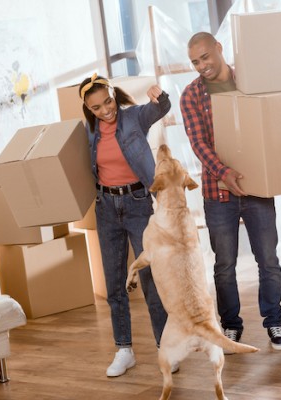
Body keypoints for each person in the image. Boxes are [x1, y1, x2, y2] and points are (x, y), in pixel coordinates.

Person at [180, 32, 281, 352]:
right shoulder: (191, 96)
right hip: (219, 194)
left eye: (205, 57)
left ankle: (274, 321)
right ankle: (230, 325)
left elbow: (271, 121)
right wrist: (224, 172)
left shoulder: (250, 81)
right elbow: (199, 144)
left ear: (219, 48)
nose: (201, 65)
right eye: (195, 62)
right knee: (224, 265)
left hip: (257, 188)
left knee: (269, 260)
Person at [79, 73, 175, 377]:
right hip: (105, 208)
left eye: (107, 101)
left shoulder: (134, 117)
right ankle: (124, 349)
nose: (105, 110)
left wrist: (159, 96)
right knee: (115, 282)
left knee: (149, 279)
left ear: (113, 95)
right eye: (96, 108)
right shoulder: (89, 131)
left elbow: (160, 108)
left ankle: (165, 347)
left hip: (136, 204)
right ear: (88, 109)